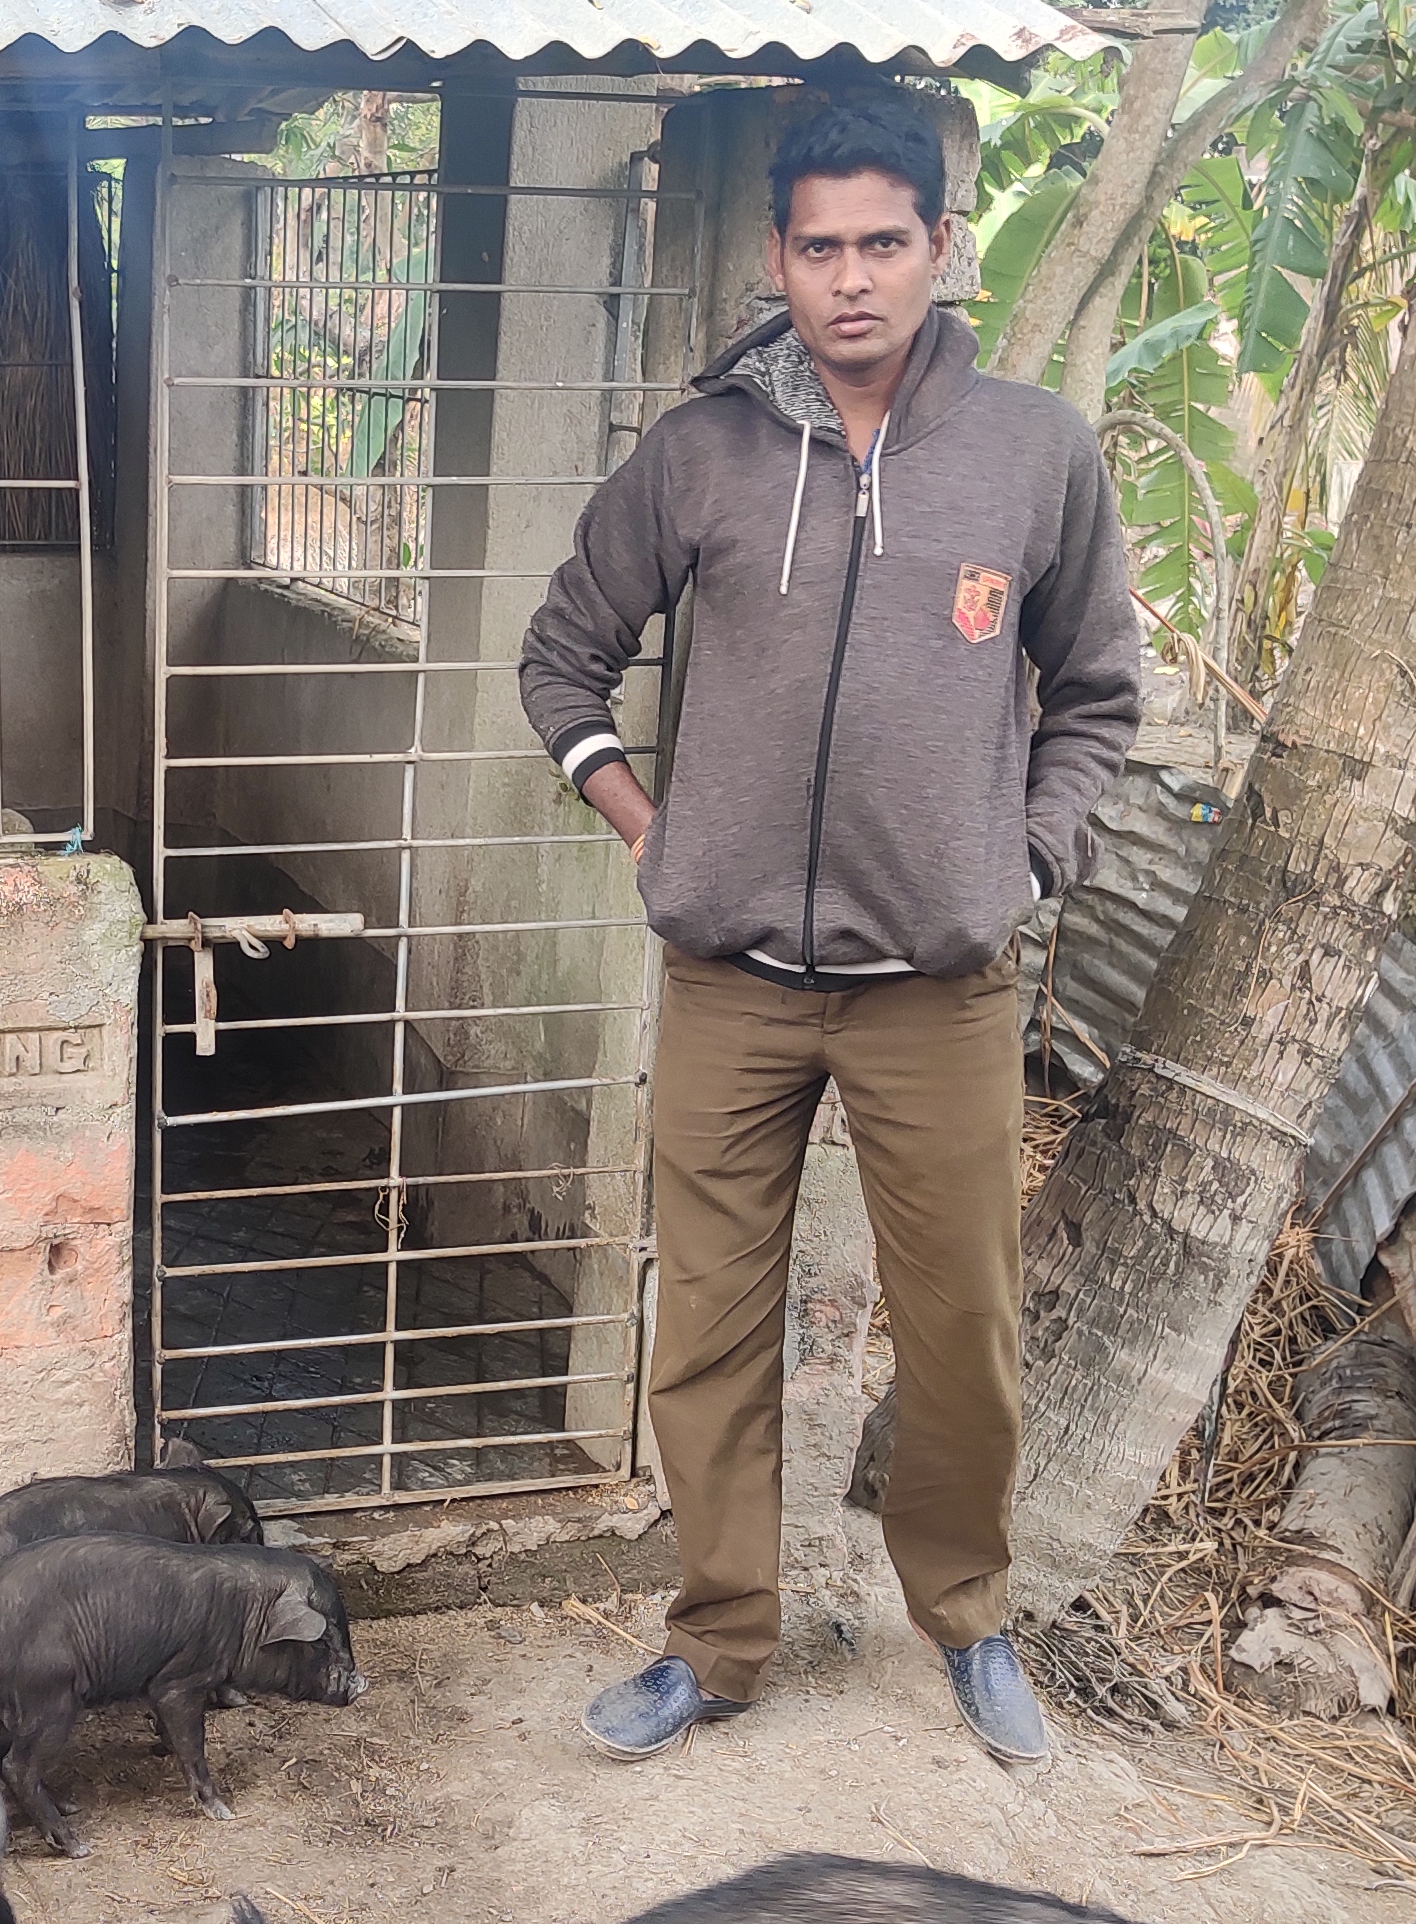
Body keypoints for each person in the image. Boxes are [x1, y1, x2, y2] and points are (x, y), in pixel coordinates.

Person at [518, 92, 1139, 1766]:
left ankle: (969, 1613)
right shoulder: (702, 454)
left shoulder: (1033, 455)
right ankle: (717, 1642)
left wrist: (1023, 866)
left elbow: (1095, 695)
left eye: (886, 242)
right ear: (777, 258)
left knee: (965, 1335)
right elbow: (561, 657)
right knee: (709, 1327)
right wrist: (658, 836)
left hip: (938, 989)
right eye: (821, 247)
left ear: (942, 247)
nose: (852, 279)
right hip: (727, 982)